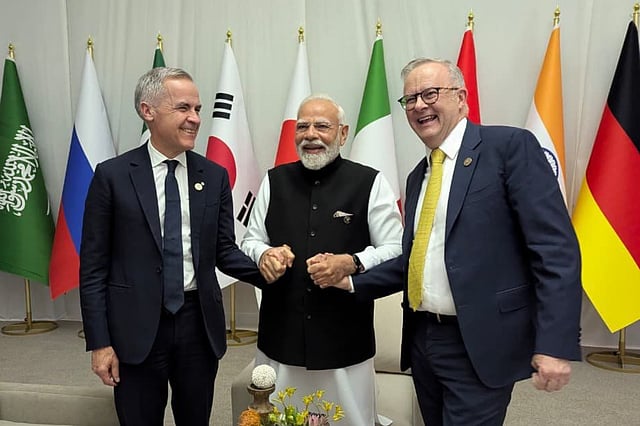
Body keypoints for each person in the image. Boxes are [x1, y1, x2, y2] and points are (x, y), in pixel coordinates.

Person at [351, 58, 582, 425]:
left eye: (430, 94)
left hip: (481, 342)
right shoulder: (418, 175)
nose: (419, 106)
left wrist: (555, 343)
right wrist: (350, 281)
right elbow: (417, 260)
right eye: (410, 99)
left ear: (461, 98)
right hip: (424, 339)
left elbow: (554, 251)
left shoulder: (508, 147)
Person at [79, 67, 273, 425]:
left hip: (198, 324)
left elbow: (224, 250)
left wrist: (271, 271)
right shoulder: (112, 176)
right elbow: (93, 268)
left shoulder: (213, 176)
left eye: (197, 109)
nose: (195, 118)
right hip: (135, 328)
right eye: (183, 108)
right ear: (147, 111)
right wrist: (100, 342)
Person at [241, 94, 403, 425]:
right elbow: (250, 240)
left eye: (322, 126)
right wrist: (265, 253)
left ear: (342, 134)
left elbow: (396, 247)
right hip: (281, 335)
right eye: (303, 127)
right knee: (278, 418)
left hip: (344, 338)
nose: (311, 134)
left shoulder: (369, 182)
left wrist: (353, 262)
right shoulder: (274, 180)